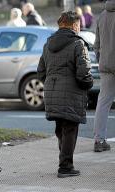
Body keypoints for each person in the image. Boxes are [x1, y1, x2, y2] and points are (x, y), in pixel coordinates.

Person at [37, 11, 93, 178]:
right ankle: (66, 167)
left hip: (52, 92)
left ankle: (64, 162)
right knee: (70, 129)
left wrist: (51, 84)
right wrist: (87, 85)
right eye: (79, 25)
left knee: (61, 129)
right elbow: (84, 73)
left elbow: (41, 71)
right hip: (71, 93)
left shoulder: (48, 44)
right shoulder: (78, 44)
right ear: (75, 25)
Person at [93, 0, 115, 152]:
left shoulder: (101, 15)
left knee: (103, 103)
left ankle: (99, 141)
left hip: (106, 65)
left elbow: (96, 44)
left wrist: (101, 58)